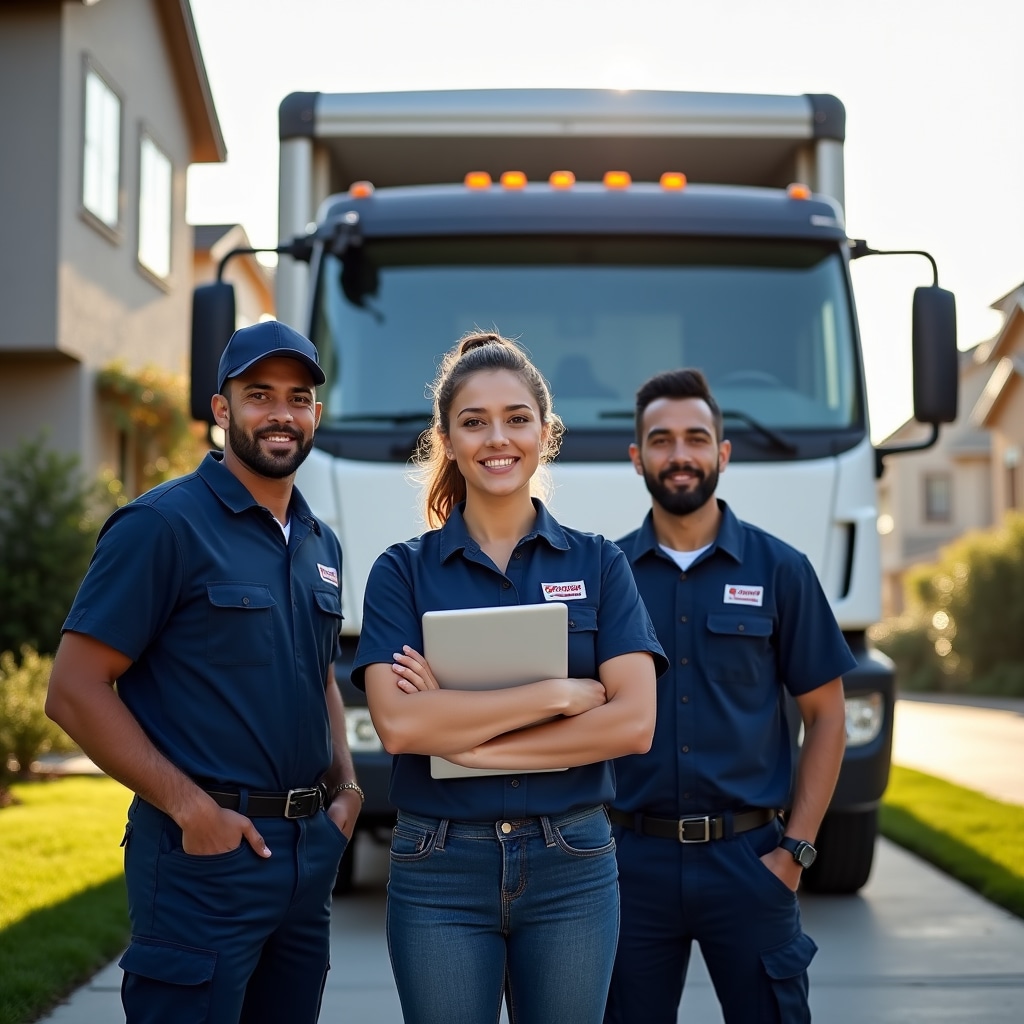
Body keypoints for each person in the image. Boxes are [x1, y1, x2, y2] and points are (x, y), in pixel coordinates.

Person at [46, 321, 363, 1024]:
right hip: (202, 858)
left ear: (316, 411)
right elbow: (74, 690)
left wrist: (345, 786)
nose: (282, 413)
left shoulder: (320, 539)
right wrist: (192, 810)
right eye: (259, 395)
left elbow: (317, 674)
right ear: (222, 411)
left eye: (299, 397)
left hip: (305, 860)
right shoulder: (161, 525)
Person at [351, 331, 666, 1024]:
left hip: (573, 866)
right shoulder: (401, 572)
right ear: (448, 439)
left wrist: (467, 743)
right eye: (474, 421)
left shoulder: (599, 565)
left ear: (546, 433)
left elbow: (634, 723)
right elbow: (402, 726)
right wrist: (553, 697)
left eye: (517, 418)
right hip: (438, 866)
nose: (499, 438)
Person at [605, 368, 854, 1024]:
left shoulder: (783, 571)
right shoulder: (607, 577)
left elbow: (827, 717)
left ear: (723, 453)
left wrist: (795, 850)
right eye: (660, 440)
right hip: (632, 866)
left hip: (750, 860)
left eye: (696, 438)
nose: (679, 455)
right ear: (637, 458)